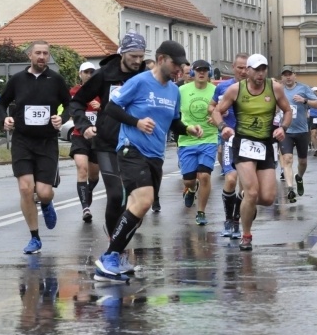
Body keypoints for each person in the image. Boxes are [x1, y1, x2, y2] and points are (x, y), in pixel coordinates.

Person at [94, 40, 203, 279]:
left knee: (138, 210)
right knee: (144, 201)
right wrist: (137, 122)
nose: (179, 69)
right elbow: (111, 108)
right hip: (131, 148)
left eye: (182, 65)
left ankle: (116, 257)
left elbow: (173, 122)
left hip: (155, 156)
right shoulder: (139, 81)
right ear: (162, 59)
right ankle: (108, 257)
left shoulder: (174, 91)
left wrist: (188, 129)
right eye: (175, 64)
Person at [69, 31, 146, 266]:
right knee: (115, 195)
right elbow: (77, 101)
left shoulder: (146, 76)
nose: (137, 61)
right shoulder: (104, 75)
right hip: (107, 143)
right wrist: (84, 126)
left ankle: (120, 240)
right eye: (133, 56)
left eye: (141, 56)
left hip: (137, 144)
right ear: (122, 53)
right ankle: (115, 247)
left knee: (136, 201)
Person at [0, 40, 71, 254]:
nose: (42, 57)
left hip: (47, 142)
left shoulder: (56, 80)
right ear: (30, 55)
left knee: (44, 193)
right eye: (38, 53)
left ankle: (46, 203)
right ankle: (34, 237)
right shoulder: (18, 80)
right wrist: (5, 119)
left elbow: (70, 104)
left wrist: (62, 118)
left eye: (45, 53)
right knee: (25, 189)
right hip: (22, 141)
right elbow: (0, 104)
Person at [212, 53, 293, 251]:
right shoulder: (235, 90)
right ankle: (246, 235)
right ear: (248, 71)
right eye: (256, 69)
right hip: (244, 144)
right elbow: (215, 110)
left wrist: (283, 128)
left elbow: (288, 110)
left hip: (265, 144)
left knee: (267, 198)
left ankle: (243, 199)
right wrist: (223, 127)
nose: (260, 73)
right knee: (252, 191)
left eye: (263, 69)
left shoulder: (275, 88)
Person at [208, 53, 248, 238]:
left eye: (247, 68)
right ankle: (228, 220)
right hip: (229, 138)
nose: (243, 71)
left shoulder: (256, 88)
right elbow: (211, 107)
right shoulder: (223, 87)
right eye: (240, 67)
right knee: (231, 179)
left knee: (245, 185)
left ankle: (237, 220)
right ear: (233, 67)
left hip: (249, 140)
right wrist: (219, 117)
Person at [178, 59, 217, 225]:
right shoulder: (181, 90)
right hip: (187, 139)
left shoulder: (215, 90)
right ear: (193, 72)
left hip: (209, 138)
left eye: (205, 70)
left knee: (205, 176)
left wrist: (216, 117)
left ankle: (201, 212)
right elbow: (174, 114)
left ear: (209, 72)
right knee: (189, 180)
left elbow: (224, 110)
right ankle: (192, 189)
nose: (202, 73)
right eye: (198, 70)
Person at [279, 66, 317, 202]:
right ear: (282, 77)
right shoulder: (279, 89)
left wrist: (304, 100)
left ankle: (299, 177)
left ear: (295, 75)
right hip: (286, 131)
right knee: (287, 159)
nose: (288, 77)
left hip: (301, 130)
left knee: (303, 161)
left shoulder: (304, 88)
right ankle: (290, 188)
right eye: (285, 75)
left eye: (290, 74)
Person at [68, 61, 101, 223]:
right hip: (79, 136)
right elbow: (68, 109)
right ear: (80, 74)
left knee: (94, 175)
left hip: (97, 138)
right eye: (86, 72)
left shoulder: (101, 91)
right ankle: (85, 208)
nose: (89, 75)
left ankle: (88, 190)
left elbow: (113, 110)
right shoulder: (74, 92)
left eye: (92, 72)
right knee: (82, 169)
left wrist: (101, 106)